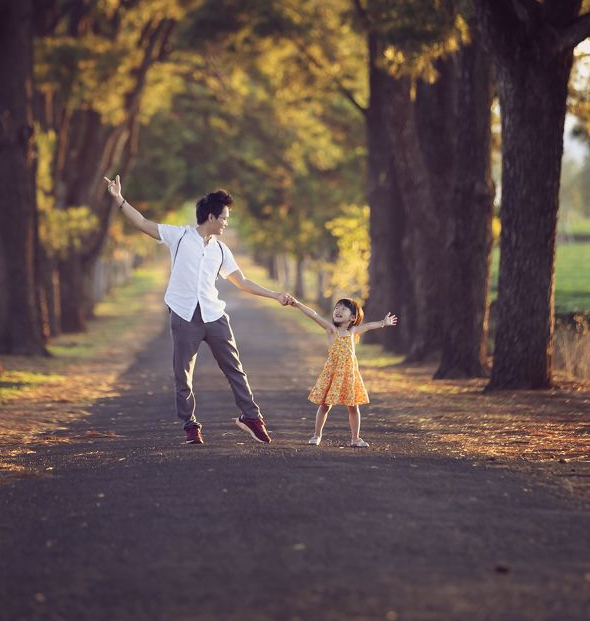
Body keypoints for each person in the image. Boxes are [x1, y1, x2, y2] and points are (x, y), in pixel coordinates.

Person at [103, 176, 293, 445]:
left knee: (235, 369)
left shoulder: (221, 250)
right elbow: (143, 223)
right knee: (183, 374)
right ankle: (191, 426)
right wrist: (119, 200)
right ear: (212, 217)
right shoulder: (179, 236)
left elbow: (243, 282)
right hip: (183, 315)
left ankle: (251, 417)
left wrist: (275, 295)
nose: (227, 222)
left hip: (215, 316)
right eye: (225, 217)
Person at [287, 296, 397, 448]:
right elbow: (314, 314)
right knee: (325, 405)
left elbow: (369, 326)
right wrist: (298, 304)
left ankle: (355, 438)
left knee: (353, 406)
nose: (338, 311)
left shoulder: (353, 331)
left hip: (349, 375)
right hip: (332, 373)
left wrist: (383, 323)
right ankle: (316, 435)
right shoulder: (332, 330)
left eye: (343, 309)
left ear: (352, 317)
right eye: (336, 308)